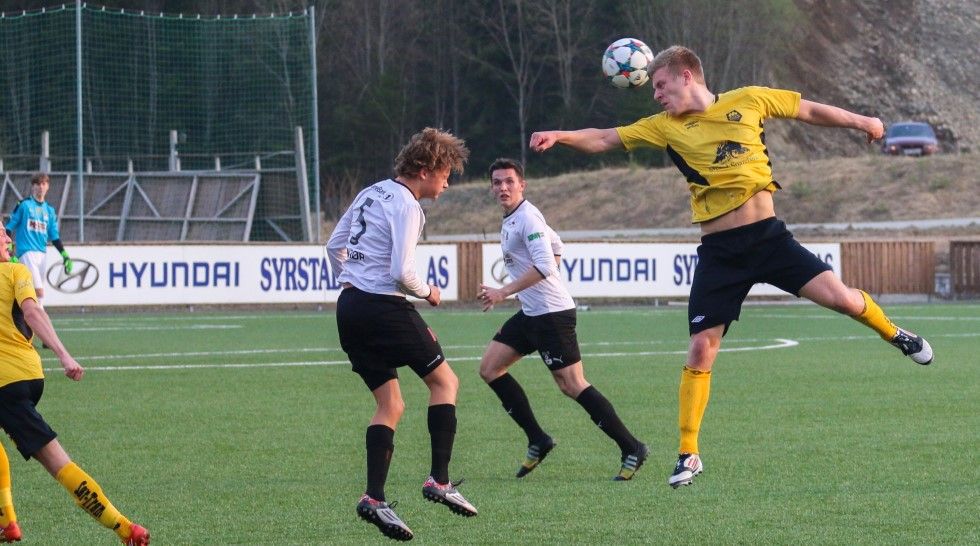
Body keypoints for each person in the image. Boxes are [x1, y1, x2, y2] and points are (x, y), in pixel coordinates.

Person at [528, 45, 933, 489]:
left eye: (660, 85)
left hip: (769, 239)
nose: (655, 95)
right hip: (720, 252)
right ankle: (688, 453)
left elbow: (809, 110)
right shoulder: (664, 128)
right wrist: (562, 135)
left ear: (687, 76)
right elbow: (606, 137)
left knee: (842, 299)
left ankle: (896, 333)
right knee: (702, 347)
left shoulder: (750, 99)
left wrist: (863, 121)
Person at [326, 127, 476, 542]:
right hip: (383, 307)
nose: (447, 181)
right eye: (446, 172)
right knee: (445, 381)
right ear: (426, 169)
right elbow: (400, 272)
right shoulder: (408, 206)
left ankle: (374, 498)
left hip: (350, 307)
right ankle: (439, 481)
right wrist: (429, 293)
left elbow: (333, 246)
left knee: (389, 404)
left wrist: (353, 279)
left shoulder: (371, 192)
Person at [477, 158, 649, 481]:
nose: (503, 187)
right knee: (489, 368)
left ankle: (632, 447)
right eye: (497, 182)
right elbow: (557, 246)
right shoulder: (515, 217)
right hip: (531, 313)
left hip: (552, 315)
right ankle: (538, 439)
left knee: (572, 385)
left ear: (522, 184)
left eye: (509, 181)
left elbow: (546, 265)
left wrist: (504, 292)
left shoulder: (527, 217)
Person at [0, 231, 149, 545]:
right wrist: (62, 356)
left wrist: (64, 354)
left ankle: (125, 528)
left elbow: (33, 312)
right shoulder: (16, 272)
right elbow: (31, 311)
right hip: (25, 377)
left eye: (4, 232)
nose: (6, 235)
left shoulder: (15, 270)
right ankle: (8, 522)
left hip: (6, 384)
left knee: (58, 462)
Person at [5, 173, 74, 308]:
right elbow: (8, 228)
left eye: (43, 184)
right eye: (37, 184)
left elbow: (54, 237)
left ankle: (29, 322)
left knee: (33, 293)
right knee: (39, 292)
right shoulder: (24, 205)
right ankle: (40, 324)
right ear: (33, 187)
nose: (40, 187)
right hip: (26, 253)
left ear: (48, 187)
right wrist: (9, 252)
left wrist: (65, 255)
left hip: (42, 254)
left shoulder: (49, 210)